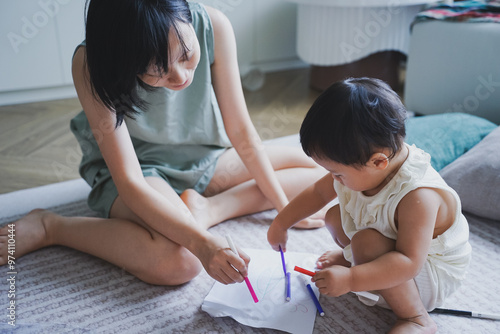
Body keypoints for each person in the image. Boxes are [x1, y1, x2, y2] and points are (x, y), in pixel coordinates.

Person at [0, 0, 325, 286]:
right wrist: (203, 244)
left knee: (322, 173)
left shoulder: (213, 25)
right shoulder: (90, 62)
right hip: (140, 172)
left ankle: (207, 208)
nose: (181, 76)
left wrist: (283, 208)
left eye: (186, 55)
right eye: (156, 71)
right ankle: (52, 226)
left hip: (204, 158)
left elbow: (241, 132)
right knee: (179, 262)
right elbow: (130, 181)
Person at [267, 77, 472, 334]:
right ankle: (358, 259)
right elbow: (318, 193)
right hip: (393, 246)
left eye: (338, 174)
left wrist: (353, 279)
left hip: (426, 270)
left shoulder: (418, 196)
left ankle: (416, 318)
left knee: (367, 242)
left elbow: (409, 262)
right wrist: (281, 222)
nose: (333, 180)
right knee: (335, 215)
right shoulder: (365, 163)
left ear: (378, 162)